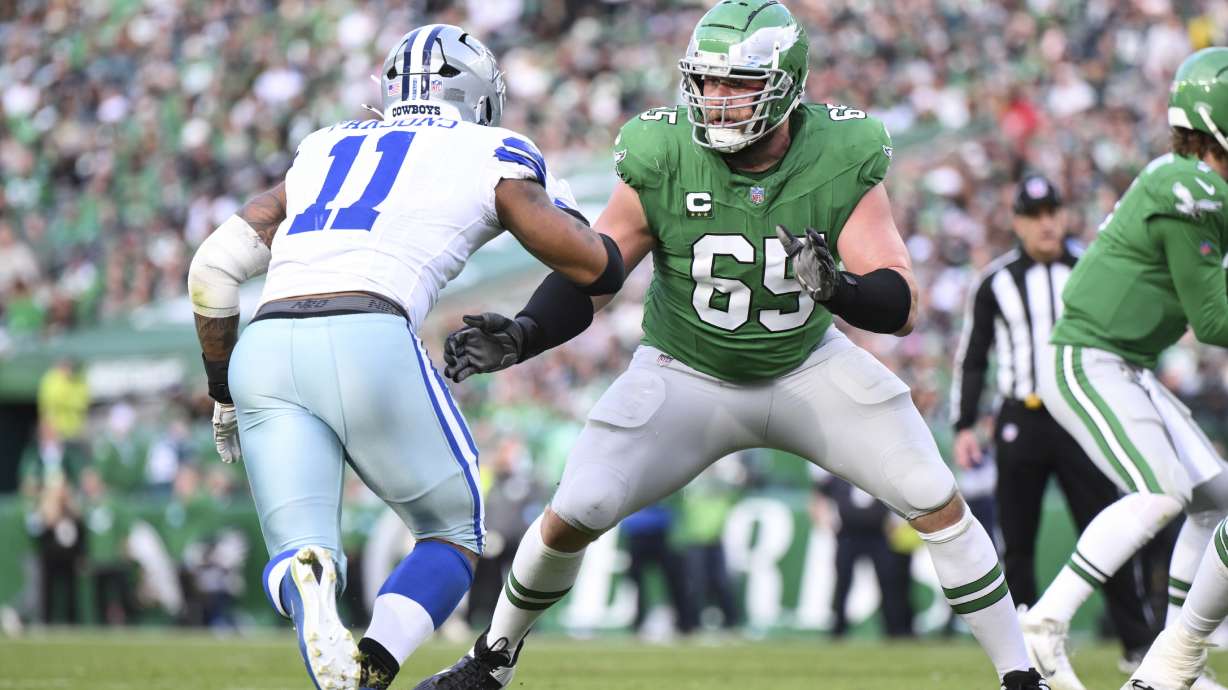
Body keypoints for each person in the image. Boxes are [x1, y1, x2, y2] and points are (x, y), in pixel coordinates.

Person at [420, 2, 1045, 688]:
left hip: (804, 367)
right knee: (578, 507)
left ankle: (1021, 675)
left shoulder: (840, 150)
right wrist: (527, 332)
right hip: (684, 370)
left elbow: (902, 304)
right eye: (706, 80)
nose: (715, 97)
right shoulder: (663, 149)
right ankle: (491, 660)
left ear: (786, 87)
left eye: (737, 82)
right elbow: (598, 269)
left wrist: (838, 289)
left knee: (934, 495)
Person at [185, 24, 624, 690]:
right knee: (454, 531)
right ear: (478, 93)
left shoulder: (324, 145)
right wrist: (592, 249)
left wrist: (223, 391)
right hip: (368, 330)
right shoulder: (492, 148)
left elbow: (212, 269)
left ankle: (320, 606)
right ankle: (375, 665)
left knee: (301, 549)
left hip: (265, 347)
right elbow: (593, 266)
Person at [1015, 48, 1228, 690]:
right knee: (1161, 493)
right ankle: (1044, 623)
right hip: (1087, 355)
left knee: (1216, 501)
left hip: (1125, 363)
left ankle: (1173, 658)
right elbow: (1213, 320)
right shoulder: (1190, 187)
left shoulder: (1192, 180)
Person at [952, 175, 1156, 665]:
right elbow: (974, 357)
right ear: (1018, 222)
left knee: (1107, 530)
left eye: (1052, 213)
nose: (1046, 224)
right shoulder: (996, 281)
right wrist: (963, 424)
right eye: (1034, 215)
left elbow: (1123, 339)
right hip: (1020, 418)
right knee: (1017, 540)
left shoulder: (1091, 268)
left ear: (1063, 215)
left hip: (1081, 417)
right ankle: (1026, 650)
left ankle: (1137, 644)